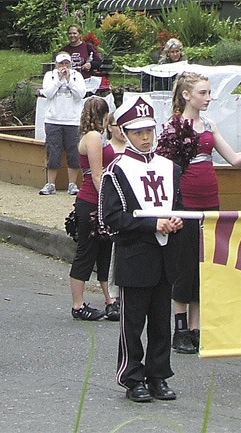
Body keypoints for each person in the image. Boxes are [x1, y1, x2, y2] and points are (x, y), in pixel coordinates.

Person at [163, 72, 241, 354]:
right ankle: (179, 326)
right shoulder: (173, 126)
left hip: (210, 201)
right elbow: (166, 166)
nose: (208, 98)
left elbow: (235, 159)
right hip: (185, 202)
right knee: (184, 264)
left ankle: (196, 327)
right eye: (203, 93)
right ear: (186, 95)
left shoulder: (209, 124)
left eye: (208, 93)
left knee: (203, 264)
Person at [101, 94, 184, 402]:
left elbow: (179, 206)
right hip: (135, 256)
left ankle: (159, 375)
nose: (146, 137)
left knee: (161, 322)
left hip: (166, 255)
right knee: (133, 323)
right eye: (138, 132)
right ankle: (132, 376)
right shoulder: (117, 170)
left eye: (149, 130)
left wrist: (176, 220)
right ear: (124, 132)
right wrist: (153, 224)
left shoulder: (170, 168)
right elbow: (111, 218)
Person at [68, 96, 118, 321]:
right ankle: (78, 305)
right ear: (104, 115)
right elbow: (97, 174)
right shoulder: (94, 137)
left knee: (104, 250)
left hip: (95, 198)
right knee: (87, 252)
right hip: (91, 200)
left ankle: (110, 299)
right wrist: (108, 201)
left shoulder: (95, 136)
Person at [39, 52, 86, 196]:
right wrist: (59, 80)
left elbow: (81, 94)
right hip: (53, 120)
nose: (63, 67)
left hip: (72, 121)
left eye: (66, 64)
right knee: (53, 151)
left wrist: (69, 80)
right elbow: (47, 93)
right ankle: (50, 184)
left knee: (73, 152)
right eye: (61, 64)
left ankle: (72, 184)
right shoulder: (50, 76)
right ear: (56, 64)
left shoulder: (77, 76)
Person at [103, 111, 127, 307]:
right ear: (109, 127)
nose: (121, 130)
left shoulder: (132, 149)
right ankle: (113, 293)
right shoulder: (108, 150)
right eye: (117, 125)